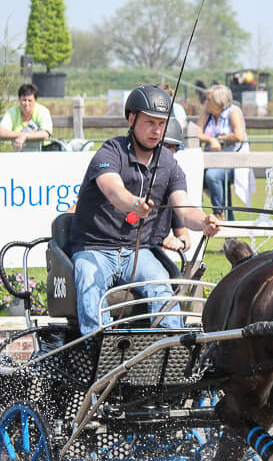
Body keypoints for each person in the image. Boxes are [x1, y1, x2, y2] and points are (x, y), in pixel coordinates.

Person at [69, 85, 220, 334]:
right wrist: (133, 203)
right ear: (132, 119)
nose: (157, 130)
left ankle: (170, 347)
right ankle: (97, 349)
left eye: (161, 124)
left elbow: (184, 208)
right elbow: (112, 189)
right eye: (150, 122)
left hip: (137, 252)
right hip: (94, 248)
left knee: (162, 287)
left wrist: (204, 221)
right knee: (90, 283)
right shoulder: (111, 151)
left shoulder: (168, 163)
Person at [197, 84, 248, 218]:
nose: (206, 102)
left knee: (212, 176)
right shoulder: (207, 112)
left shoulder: (233, 112)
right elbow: (197, 133)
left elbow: (239, 136)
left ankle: (219, 212)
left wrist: (219, 139)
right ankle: (202, 214)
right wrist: (210, 140)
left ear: (219, 102)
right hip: (210, 160)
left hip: (232, 161)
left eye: (209, 100)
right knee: (194, 175)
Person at [157, 117, 191, 253]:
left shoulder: (173, 181)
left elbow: (184, 236)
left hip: (154, 253)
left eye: (171, 147)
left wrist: (180, 242)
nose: (166, 152)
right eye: (163, 145)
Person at [0, 82, 54, 152]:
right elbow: (1, 132)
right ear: (19, 99)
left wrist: (26, 136)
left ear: (35, 100)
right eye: (24, 100)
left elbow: (46, 133)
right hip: (19, 152)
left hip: (42, 150)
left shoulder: (43, 111)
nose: (26, 104)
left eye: (30, 100)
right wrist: (22, 135)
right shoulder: (12, 112)